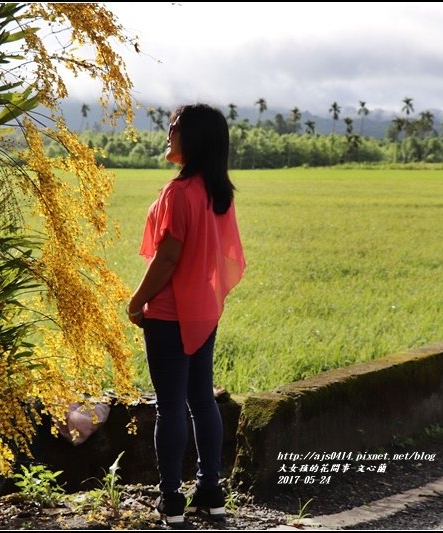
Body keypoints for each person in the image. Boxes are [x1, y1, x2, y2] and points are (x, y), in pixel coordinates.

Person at [126, 103, 246, 525]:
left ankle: (170, 499)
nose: (167, 133)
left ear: (190, 138)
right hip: (203, 313)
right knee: (202, 400)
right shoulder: (218, 194)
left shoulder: (179, 193)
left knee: (170, 407)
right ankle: (211, 491)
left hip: (168, 314)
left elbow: (167, 259)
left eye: (173, 127)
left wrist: (137, 299)